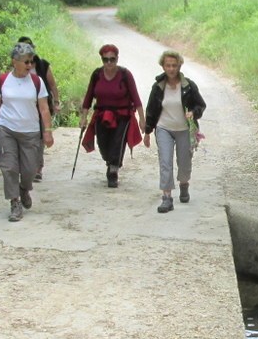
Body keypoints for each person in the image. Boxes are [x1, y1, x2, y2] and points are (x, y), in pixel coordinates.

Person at [0, 42, 54, 222]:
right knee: (9, 167)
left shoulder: (36, 81)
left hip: (30, 131)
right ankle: (14, 202)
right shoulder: (2, 81)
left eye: (31, 62)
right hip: (5, 128)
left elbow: (44, 108)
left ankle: (24, 189)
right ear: (14, 61)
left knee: (30, 169)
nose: (30, 66)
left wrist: (47, 131)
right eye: (26, 62)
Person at [144, 50, 206, 213]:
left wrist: (193, 112)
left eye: (174, 65)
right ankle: (166, 197)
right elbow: (151, 110)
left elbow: (201, 105)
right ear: (163, 66)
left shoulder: (188, 86)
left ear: (179, 66)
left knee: (184, 163)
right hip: (164, 128)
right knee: (165, 162)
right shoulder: (158, 87)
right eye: (168, 65)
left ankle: (184, 184)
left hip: (184, 129)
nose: (171, 69)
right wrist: (147, 132)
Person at [79, 43, 145, 188]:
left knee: (118, 142)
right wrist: (83, 117)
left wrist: (142, 119)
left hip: (122, 114)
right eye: (105, 59)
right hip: (102, 114)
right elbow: (88, 97)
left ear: (117, 59)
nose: (109, 63)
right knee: (103, 144)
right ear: (102, 59)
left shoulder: (125, 75)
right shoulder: (97, 75)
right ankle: (110, 162)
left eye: (112, 59)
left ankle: (113, 170)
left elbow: (136, 98)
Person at [18, 36, 61, 182]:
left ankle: (37, 168)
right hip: (23, 106)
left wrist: (56, 101)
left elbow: (52, 85)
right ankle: (26, 166)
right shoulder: (16, 66)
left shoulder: (42, 65)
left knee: (40, 137)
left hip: (42, 105)